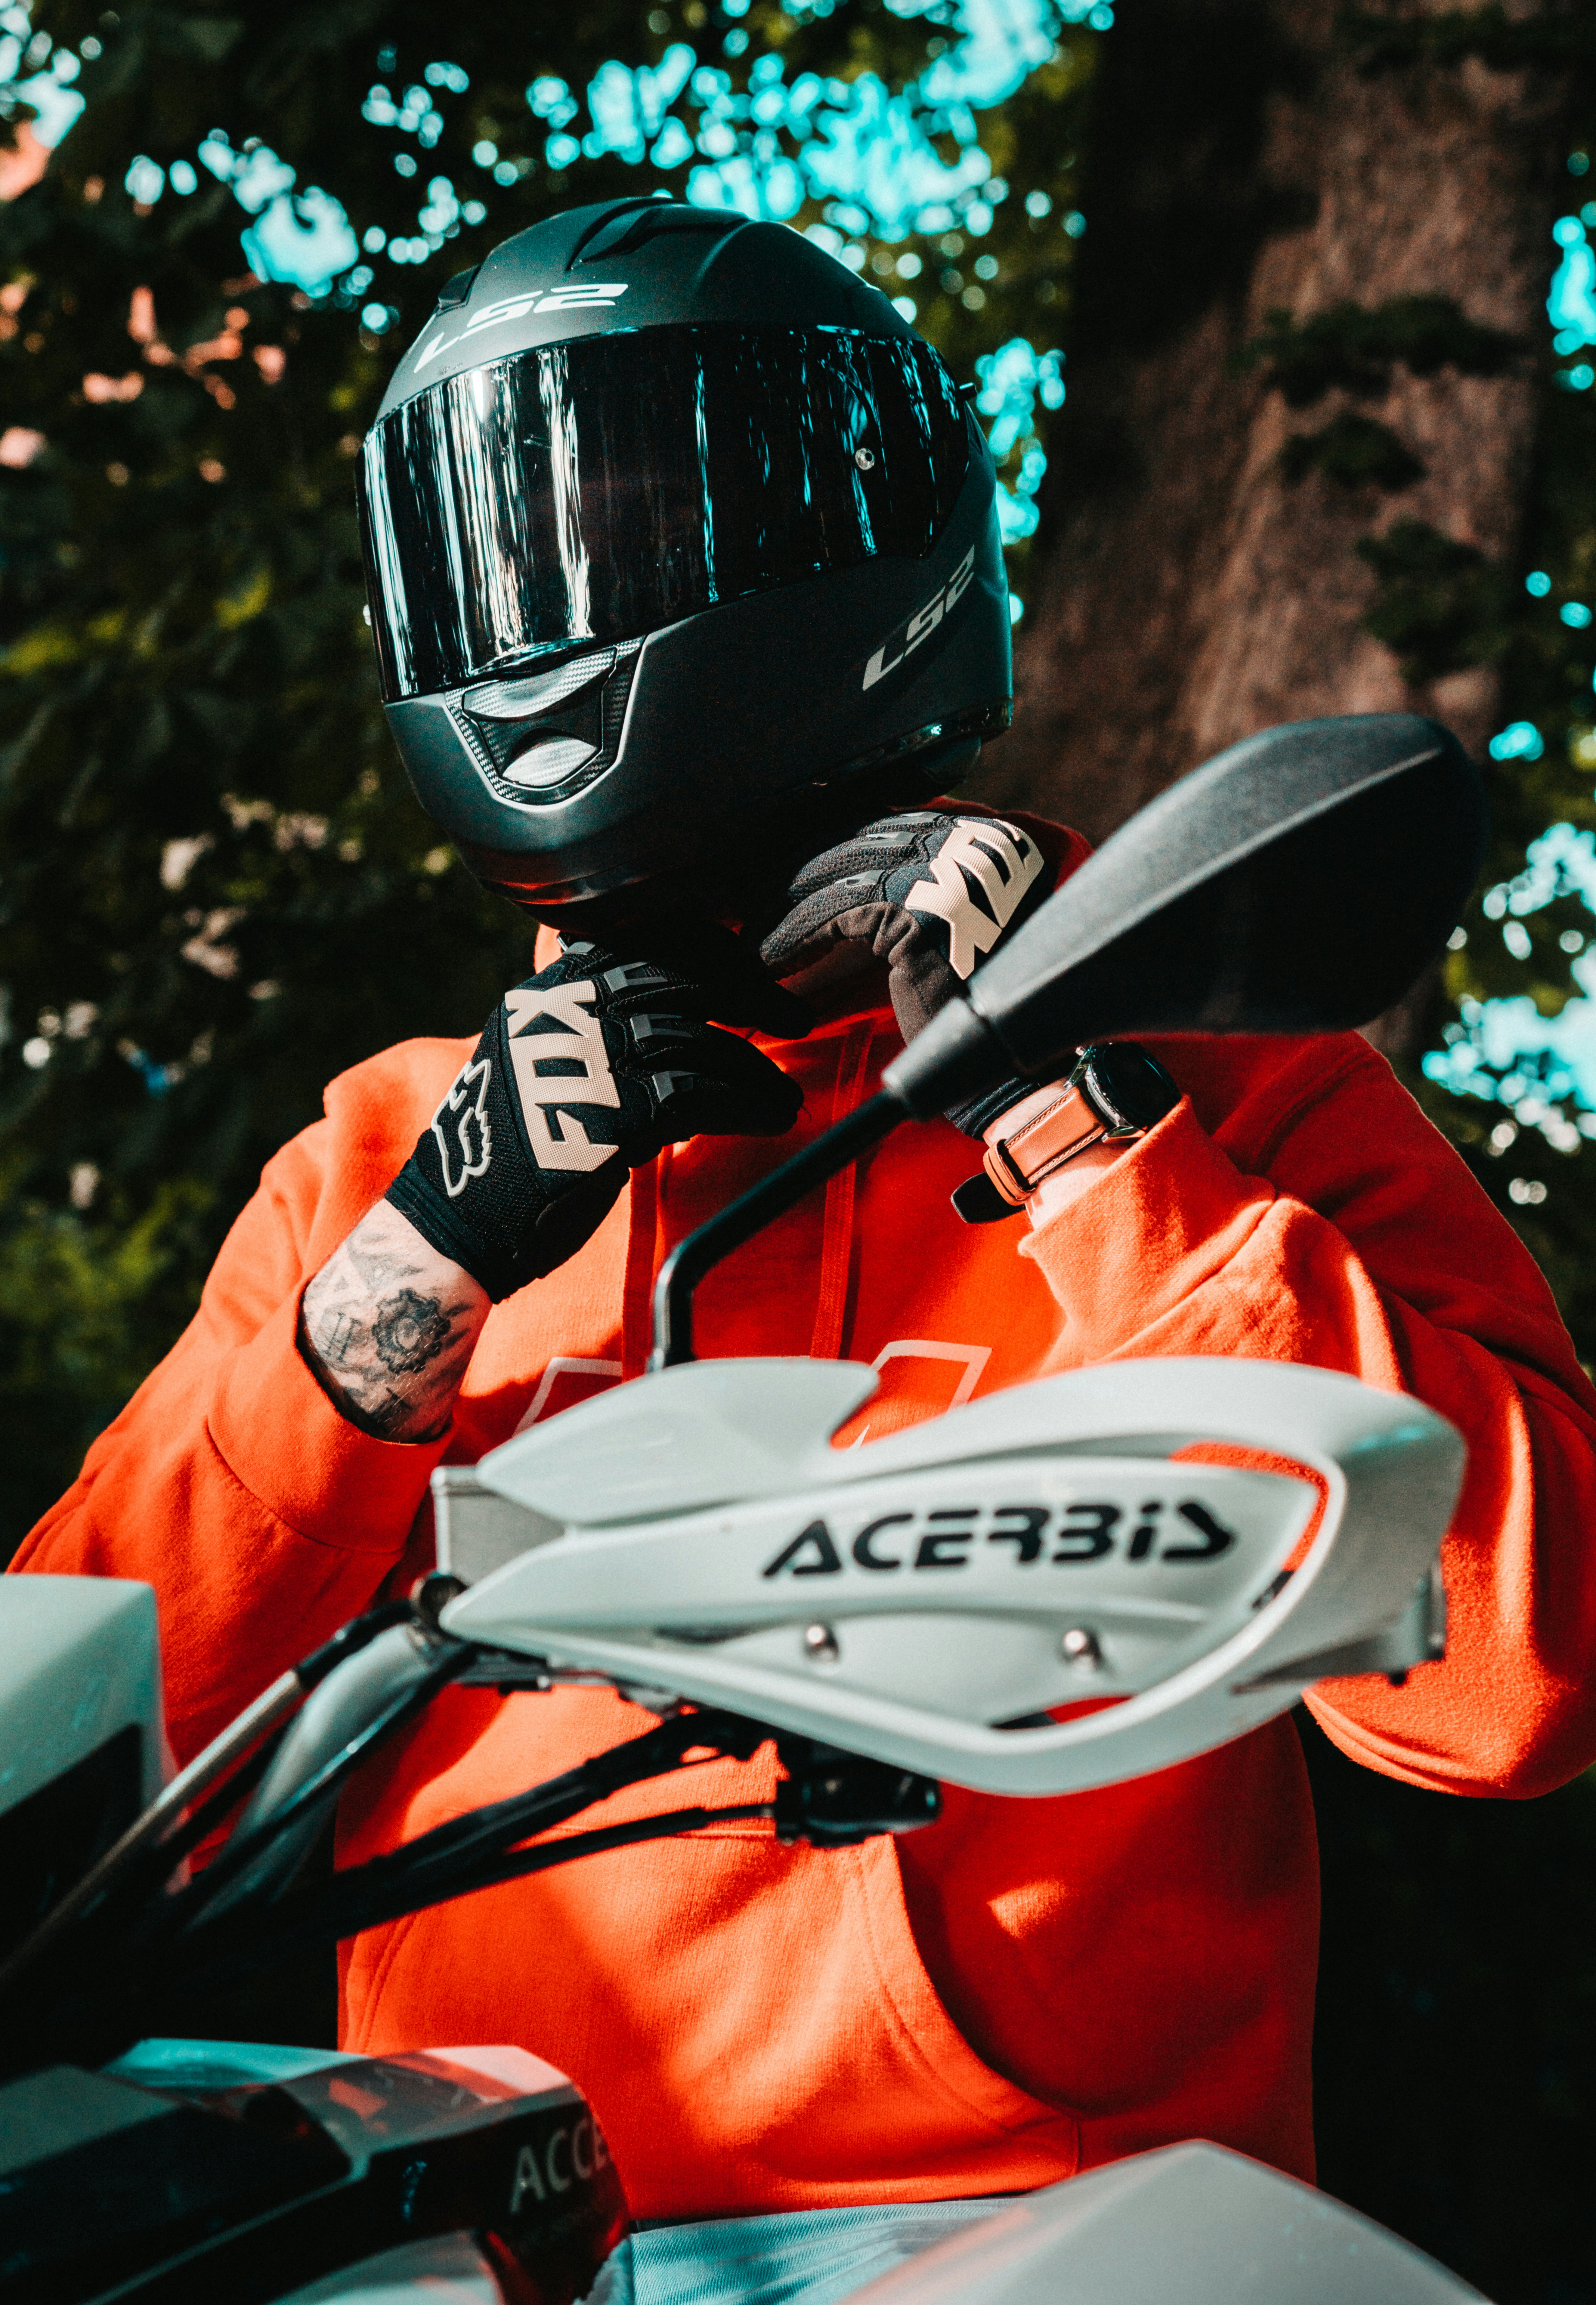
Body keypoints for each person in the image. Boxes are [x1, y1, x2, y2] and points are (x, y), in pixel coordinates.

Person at [15, 200, 1596, 2298]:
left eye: (652, 515)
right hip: (479, 2227)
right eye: (519, 534)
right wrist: (410, 1280)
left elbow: (1516, 1683)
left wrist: (1073, 1121)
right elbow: (70, 1771)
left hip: (1054, 2235)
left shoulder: (1218, 1081)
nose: (570, 587)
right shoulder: (395, 1152)